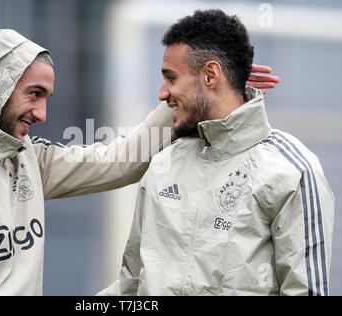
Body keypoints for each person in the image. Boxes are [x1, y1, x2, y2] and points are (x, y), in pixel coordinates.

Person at [0, 29, 278, 296]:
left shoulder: (25, 157)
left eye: (47, 97)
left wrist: (200, 92)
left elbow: (120, 162)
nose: (41, 113)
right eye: (34, 94)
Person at [99, 9, 334, 296]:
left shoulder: (292, 170)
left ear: (211, 75)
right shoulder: (162, 165)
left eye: (171, 78)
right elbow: (131, 285)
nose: (162, 93)